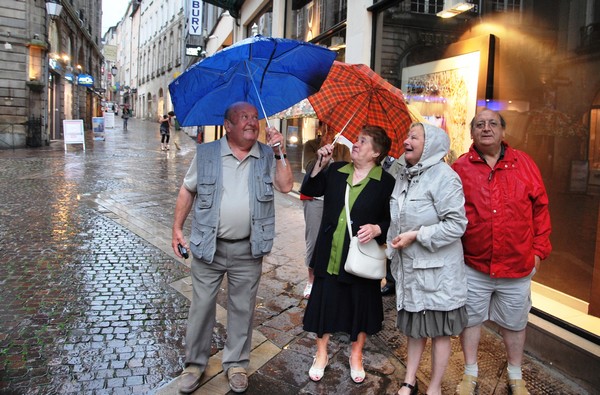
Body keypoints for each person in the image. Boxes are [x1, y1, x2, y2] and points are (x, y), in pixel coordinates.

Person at [171, 101, 293, 394]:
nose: (252, 122)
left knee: (243, 308)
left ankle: (237, 362)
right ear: (228, 125)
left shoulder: (267, 154)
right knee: (201, 307)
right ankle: (194, 365)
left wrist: (279, 152)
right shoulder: (207, 153)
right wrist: (176, 228)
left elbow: (287, 186)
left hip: (248, 249)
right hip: (208, 245)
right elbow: (188, 189)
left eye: (254, 117)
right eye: (244, 118)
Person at [451, 109, 552, 395]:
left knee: (515, 323)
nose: (486, 128)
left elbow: (541, 209)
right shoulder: (460, 168)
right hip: (474, 265)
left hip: (517, 265)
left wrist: (538, 251)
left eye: (492, 123)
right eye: (479, 125)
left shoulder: (525, 164)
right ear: (472, 133)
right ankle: (470, 373)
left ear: (503, 131)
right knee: (470, 320)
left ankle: (515, 374)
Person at [300, 125, 395, 384]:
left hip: (360, 258)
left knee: (360, 307)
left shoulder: (386, 183)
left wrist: (378, 228)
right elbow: (311, 188)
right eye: (357, 139)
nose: (356, 143)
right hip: (329, 251)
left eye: (362, 142)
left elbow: (394, 220)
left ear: (376, 153)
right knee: (323, 304)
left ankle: (356, 355)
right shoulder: (337, 170)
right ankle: (321, 354)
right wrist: (321, 162)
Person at [387, 123, 468, 395]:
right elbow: (396, 219)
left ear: (430, 144)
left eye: (414, 137)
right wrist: (391, 250)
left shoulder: (445, 177)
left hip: (438, 273)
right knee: (415, 328)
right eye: (406, 136)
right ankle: (410, 380)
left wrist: (417, 235)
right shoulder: (404, 175)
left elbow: (456, 225)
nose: (406, 141)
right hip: (410, 268)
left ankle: (434, 387)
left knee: (439, 332)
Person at [301, 121, 351, 299]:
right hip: (314, 199)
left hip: (335, 199)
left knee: (334, 239)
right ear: (320, 128)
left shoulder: (343, 149)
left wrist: (334, 159)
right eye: (326, 126)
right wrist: (322, 155)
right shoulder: (311, 145)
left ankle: (329, 279)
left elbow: (346, 172)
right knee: (313, 239)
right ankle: (311, 280)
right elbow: (309, 169)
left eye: (333, 127)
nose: (330, 130)